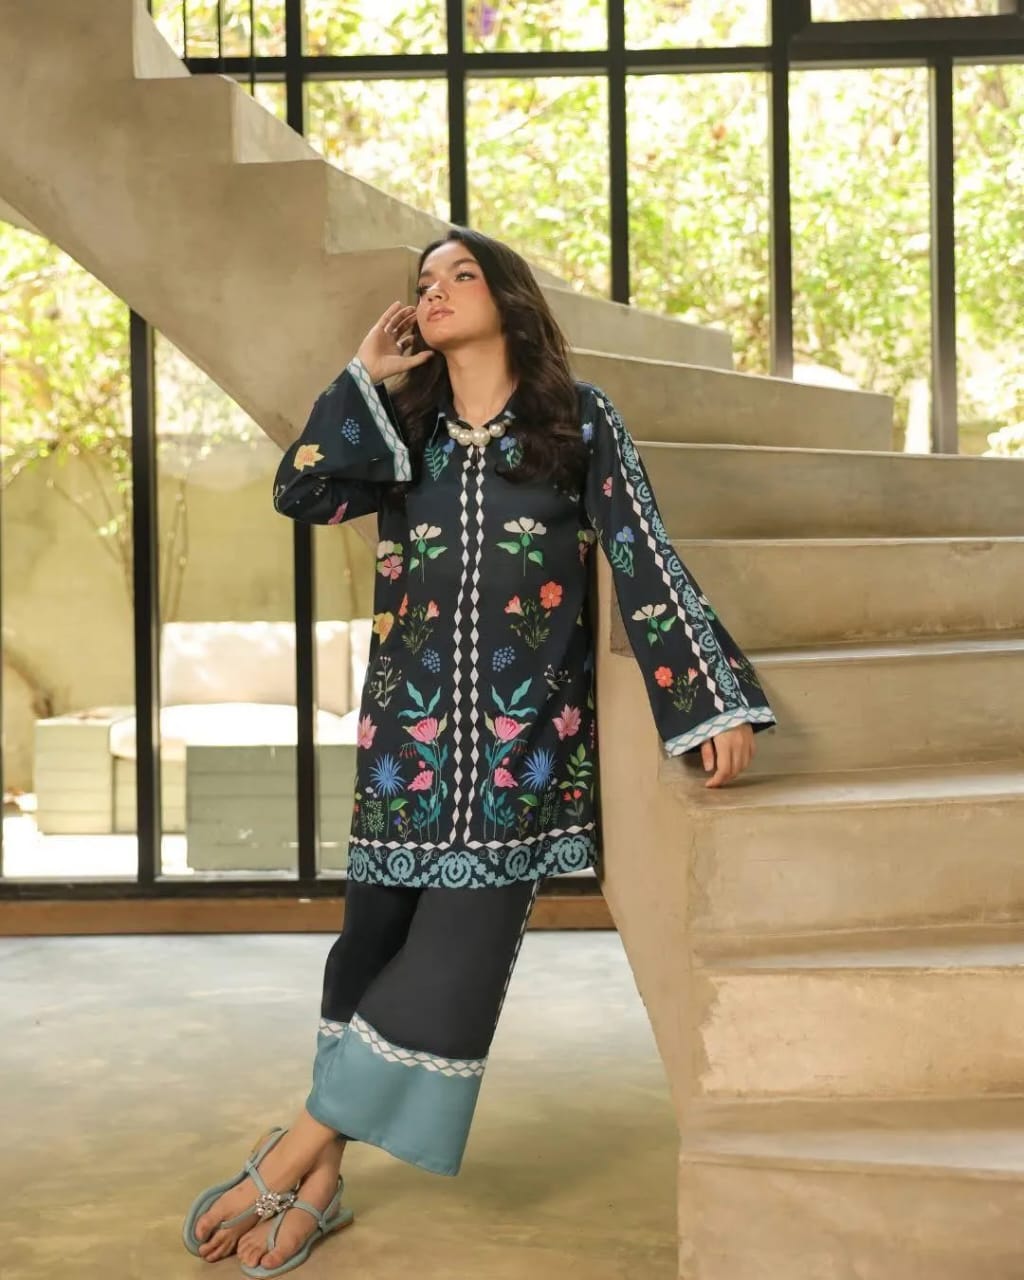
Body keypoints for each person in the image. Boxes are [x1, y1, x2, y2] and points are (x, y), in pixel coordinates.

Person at [182, 227, 778, 1276]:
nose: (439, 290)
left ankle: (290, 1152)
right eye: (424, 282)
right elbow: (301, 490)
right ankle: (320, 1189)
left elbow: (641, 555)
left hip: (522, 760)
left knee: (445, 973)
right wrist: (362, 378)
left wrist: (708, 699)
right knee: (365, 957)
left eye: (462, 273)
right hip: (400, 752)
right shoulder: (397, 427)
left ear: (507, 296)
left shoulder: (574, 421)